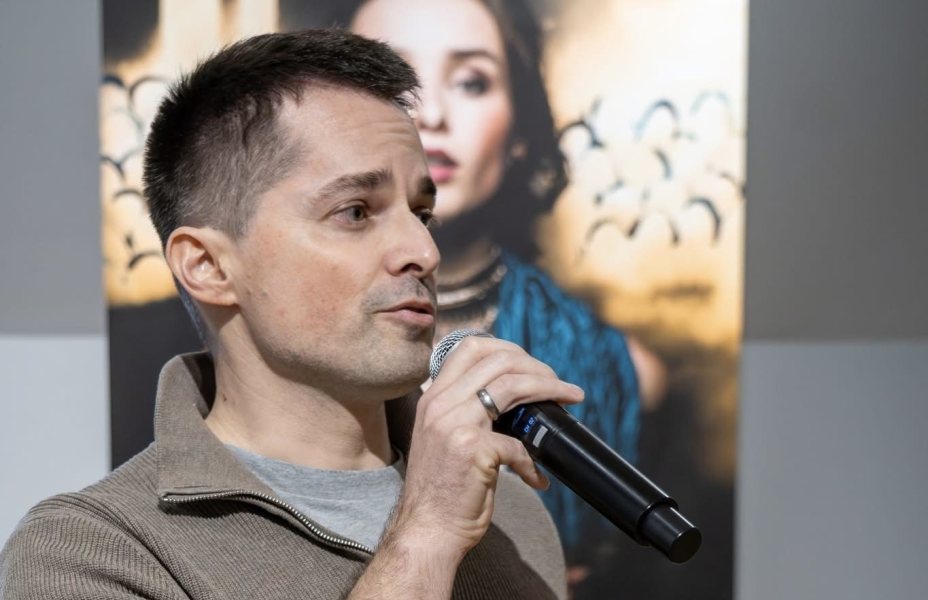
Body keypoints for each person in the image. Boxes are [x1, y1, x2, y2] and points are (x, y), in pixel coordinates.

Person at [0, 30, 584, 599]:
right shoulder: (92, 552)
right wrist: (426, 535)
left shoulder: (510, 515)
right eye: (356, 212)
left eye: (421, 214)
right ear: (208, 266)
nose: (425, 253)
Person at [348, 0, 667, 555]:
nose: (431, 114)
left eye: (471, 82)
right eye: (394, 83)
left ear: (520, 127)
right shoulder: (282, 342)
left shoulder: (613, 367)